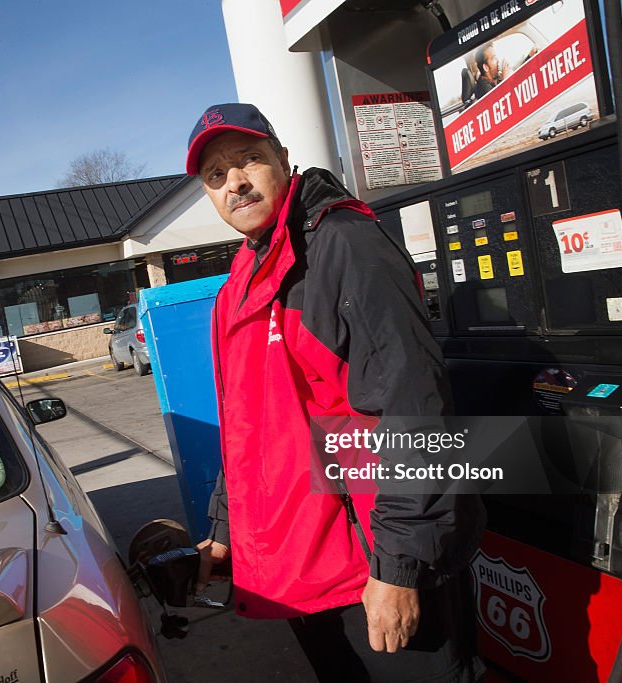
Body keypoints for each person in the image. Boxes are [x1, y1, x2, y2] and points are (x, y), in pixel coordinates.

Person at [186, 103, 486, 682]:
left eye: (249, 159)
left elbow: (413, 405)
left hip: (376, 563)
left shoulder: (344, 246)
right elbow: (249, 429)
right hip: (308, 567)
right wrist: (224, 532)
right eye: (216, 175)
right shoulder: (240, 285)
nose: (236, 184)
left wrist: (399, 567)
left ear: (283, 159)